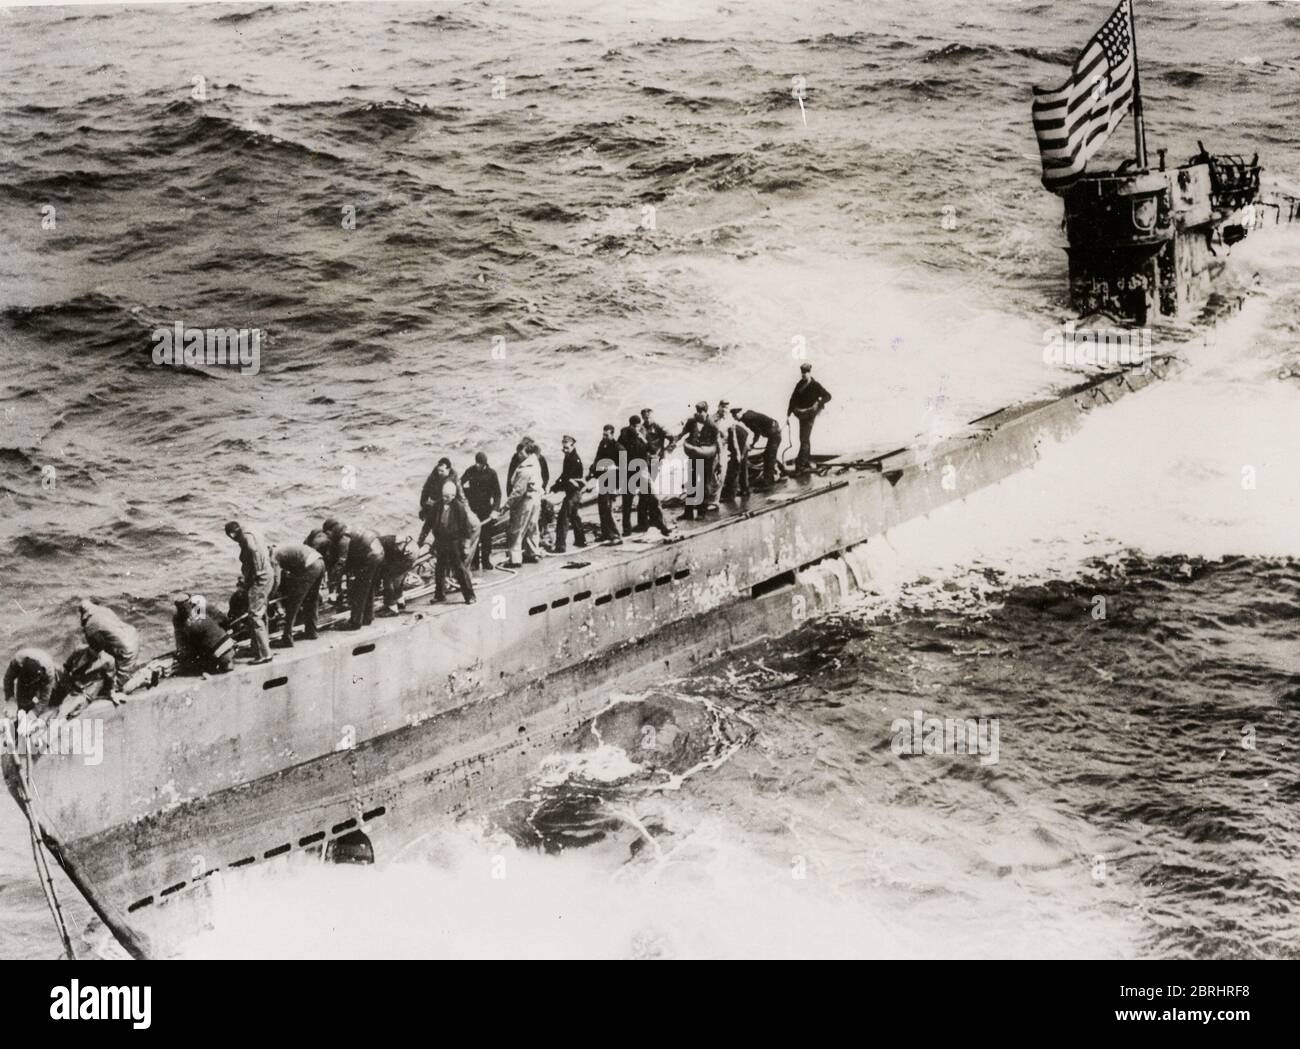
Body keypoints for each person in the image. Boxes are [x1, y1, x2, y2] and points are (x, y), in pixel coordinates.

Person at [224, 522, 277, 664]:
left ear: (232, 534)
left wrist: (258, 571)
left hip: (261, 579)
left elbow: (253, 550)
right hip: (267, 576)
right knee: (260, 613)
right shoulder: (253, 531)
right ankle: (259, 648)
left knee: (254, 615)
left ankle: (264, 654)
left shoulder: (245, 536)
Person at [323, 518, 385, 630]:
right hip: (378, 553)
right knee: (368, 587)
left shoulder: (343, 539)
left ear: (331, 530)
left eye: (328, 534)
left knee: (358, 590)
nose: (328, 537)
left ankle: (355, 622)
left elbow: (341, 562)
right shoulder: (348, 529)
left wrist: (333, 580)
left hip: (370, 557)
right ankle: (368, 617)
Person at [429, 481, 479, 603]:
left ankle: (470, 596)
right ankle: (439, 594)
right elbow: (429, 523)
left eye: (448, 496)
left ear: (453, 495)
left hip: (454, 542)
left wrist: (466, 545)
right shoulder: (437, 505)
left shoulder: (459, 508)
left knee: (459, 569)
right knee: (439, 569)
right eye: (444, 496)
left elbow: (466, 528)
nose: (445, 499)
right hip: (440, 541)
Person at [78, 598, 141, 687]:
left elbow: (95, 653)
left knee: (119, 685)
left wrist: (82, 671)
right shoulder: (106, 610)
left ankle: (143, 677)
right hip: (133, 637)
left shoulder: (90, 625)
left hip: (127, 650)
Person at [273, 542, 326, 645]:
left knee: (294, 603)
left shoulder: (274, 556)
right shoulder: (283, 548)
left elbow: (277, 579)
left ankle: (287, 638)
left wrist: (273, 592)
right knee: (312, 599)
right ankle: (312, 632)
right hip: (320, 562)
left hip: (310, 566)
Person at [504, 441, 545, 566]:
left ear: (527, 452)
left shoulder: (524, 469)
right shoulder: (535, 462)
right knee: (532, 527)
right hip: (536, 499)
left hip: (526, 501)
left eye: (520, 452)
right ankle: (532, 553)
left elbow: (518, 491)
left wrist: (506, 505)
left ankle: (515, 559)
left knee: (516, 529)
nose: (518, 455)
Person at [787, 362, 832, 474]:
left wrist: (819, 402)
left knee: (804, 439)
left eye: (805, 372)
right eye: (802, 372)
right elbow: (793, 399)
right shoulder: (799, 384)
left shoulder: (815, 385)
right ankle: (806, 461)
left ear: (809, 372)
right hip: (801, 415)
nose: (803, 375)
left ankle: (800, 466)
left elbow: (828, 396)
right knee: (804, 438)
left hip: (810, 415)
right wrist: (788, 413)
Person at [172, 594, 235, 674]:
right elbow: (222, 620)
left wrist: (180, 654)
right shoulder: (201, 609)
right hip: (228, 644)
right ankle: (227, 662)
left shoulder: (184, 621)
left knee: (189, 662)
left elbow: (184, 644)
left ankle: (223, 663)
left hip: (218, 652)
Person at [678, 402, 720, 519]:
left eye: (701, 411)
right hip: (695, 455)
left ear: (706, 411)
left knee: (704, 484)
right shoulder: (691, 422)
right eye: (697, 411)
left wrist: (719, 462)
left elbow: (718, 443)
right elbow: (683, 433)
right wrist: (673, 440)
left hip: (708, 458)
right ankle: (688, 513)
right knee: (691, 483)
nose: (698, 413)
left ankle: (701, 512)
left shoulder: (712, 424)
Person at [461, 452, 502, 570]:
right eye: (476, 462)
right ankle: (474, 562)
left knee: (486, 536)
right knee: (473, 535)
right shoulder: (470, 470)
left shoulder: (492, 473)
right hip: (473, 508)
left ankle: (485, 561)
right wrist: (467, 495)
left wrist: (495, 510)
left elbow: (498, 494)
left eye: (480, 463)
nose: (477, 465)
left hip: (486, 508)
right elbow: (459, 485)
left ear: (485, 463)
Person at [51, 646, 116, 718]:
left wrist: (111, 693)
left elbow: (109, 680)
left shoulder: (108, 661)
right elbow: (67, 667)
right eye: (93, 648)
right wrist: (67, 681)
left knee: (71, 710)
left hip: (87, 689)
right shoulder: (80, 649)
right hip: (70, 683)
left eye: (98, 651)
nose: (95, 652)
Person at [552, 434, 588, 553]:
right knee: (574, 516)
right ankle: (581, 540)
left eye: (566, 448)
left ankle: (560, 547)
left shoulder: (574, 459)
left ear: (572, 445)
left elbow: (569, 479)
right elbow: (564, 475)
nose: (564, 450)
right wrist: (556, 483)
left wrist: (557, 487)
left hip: (574, 492)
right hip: (572, 492)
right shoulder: (568, 457)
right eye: (563, 448)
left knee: (563, 518)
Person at [732, 406, 783, 487]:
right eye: (733, 416)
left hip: (774, 434)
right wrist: (753, 443)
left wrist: (752, 444)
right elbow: (757, 429)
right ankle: (772, 476)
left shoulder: (747, 418)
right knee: (767, 455)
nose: (734, 418)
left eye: (735, 416)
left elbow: (757, 432)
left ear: (739, 413)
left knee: (769, 456)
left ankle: (768, 481)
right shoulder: (748, 415)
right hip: (774, 433)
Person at [589, 427, 623, 544]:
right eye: (603, 435)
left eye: (606, 435)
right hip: (603, 479)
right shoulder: (602, 444)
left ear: (612, 435)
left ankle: (615, 536)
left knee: (608, 508)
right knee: (602, 507)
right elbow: (597, 458)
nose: (604, 437)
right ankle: (605, 534)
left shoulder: (618, 448)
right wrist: (593, 468)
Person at [417, 458, 460, 548]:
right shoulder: (434, 474)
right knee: (427, 524)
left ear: (448, 470)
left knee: (441, 529)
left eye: (442, 471)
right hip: (434, 504)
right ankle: (419, 543)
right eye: (438, 470)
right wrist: (423, 505)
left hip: (446, 507)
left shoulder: (454, 479)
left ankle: (437, 546)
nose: (439, 473)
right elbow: (425, 489)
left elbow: (461, 497)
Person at [716, 400, 752, 500]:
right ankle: (745, 490)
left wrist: (738, 455)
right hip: (743, 444)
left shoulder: (731, 431)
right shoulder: (729, 428)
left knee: (733, 469)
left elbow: (735, 444)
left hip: (741, 446)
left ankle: (730, 495)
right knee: (743, 468)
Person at [4, 647, 58, 713]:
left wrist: (35, 711)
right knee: (22, 699)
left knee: (40, 698)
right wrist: (10, 698)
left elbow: (44, 697)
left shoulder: (48, 674)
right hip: (29, 664)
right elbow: (8, 679)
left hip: (45, 671)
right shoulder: (17, 662)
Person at [378, 536, 415, 615]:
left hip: (406, 553)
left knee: (388, 580)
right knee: (399, 578)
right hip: (412, 549)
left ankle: (392, 608)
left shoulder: (381, 544)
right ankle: (400, 602)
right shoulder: (385, 540)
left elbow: (383, 559)